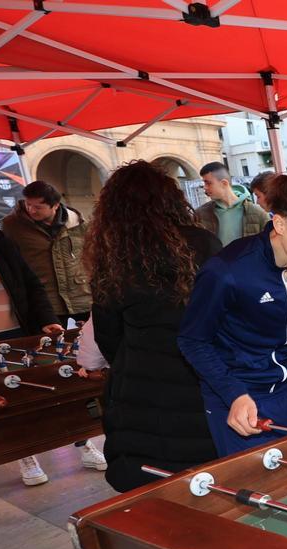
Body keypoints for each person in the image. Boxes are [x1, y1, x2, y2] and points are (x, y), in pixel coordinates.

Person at [178, 169, 287, 456]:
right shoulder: (227, 271)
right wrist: (234, 393)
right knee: (263, 490)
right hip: (236, 394)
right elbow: (192, 340)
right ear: (281, 224)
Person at [0, 187, 102, 486]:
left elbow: (30, 285)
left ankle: (83, 442)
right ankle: (27, 456)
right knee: (9, 399)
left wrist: (47, 320)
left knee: (58, 387)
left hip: (22, 333)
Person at [85, 161, 223, 492]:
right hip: (201, 376)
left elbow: (109, 335)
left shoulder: (113, 254)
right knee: (210, 477)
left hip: (140, 386)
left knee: (151, 482)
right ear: (171, 200)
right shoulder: (204, 243)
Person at [0, 180, 91, 325]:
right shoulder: (12, 225)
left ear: (55, 205)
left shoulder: (78, 223)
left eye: (38, 207)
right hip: (44, 301)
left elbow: (88, 255)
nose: (31, 210)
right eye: (28, 204)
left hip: (81, 296)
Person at [193, 161, 269, 246]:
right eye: (204, 183)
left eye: (208, 183)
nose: (205, 187)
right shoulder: (200, 214)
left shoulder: (259, 213)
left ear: (224, 183)